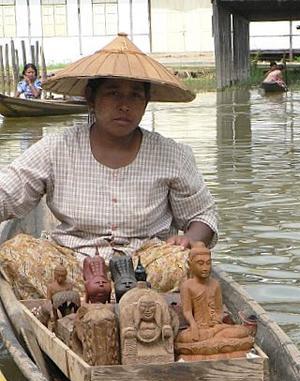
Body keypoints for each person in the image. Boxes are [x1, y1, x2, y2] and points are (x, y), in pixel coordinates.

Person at [0, 34, 218, 297]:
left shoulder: (174, 155)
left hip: (145, 266)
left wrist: (190, 238)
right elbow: (8, 193)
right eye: (113, 93)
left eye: (135, 96)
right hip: (72, 263)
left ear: (146, 102)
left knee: (180, 262)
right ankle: (87, 297)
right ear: (91, 98)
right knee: (13, 253)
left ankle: (111, 299)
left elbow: (203, 216)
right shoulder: (56, 147)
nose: (124, 105)